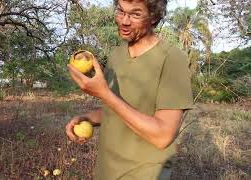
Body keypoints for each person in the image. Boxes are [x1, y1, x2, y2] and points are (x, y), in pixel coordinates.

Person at [65, 0, 194, 179]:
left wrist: (103, 93)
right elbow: (117, 108)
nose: (124, 21)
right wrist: (87, 118)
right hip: (106, 170)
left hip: (143, 173)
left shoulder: (172, 59)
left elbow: (163, 135)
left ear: (154, 17)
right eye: (120, 11)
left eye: (135, 14)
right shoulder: (116, 55)